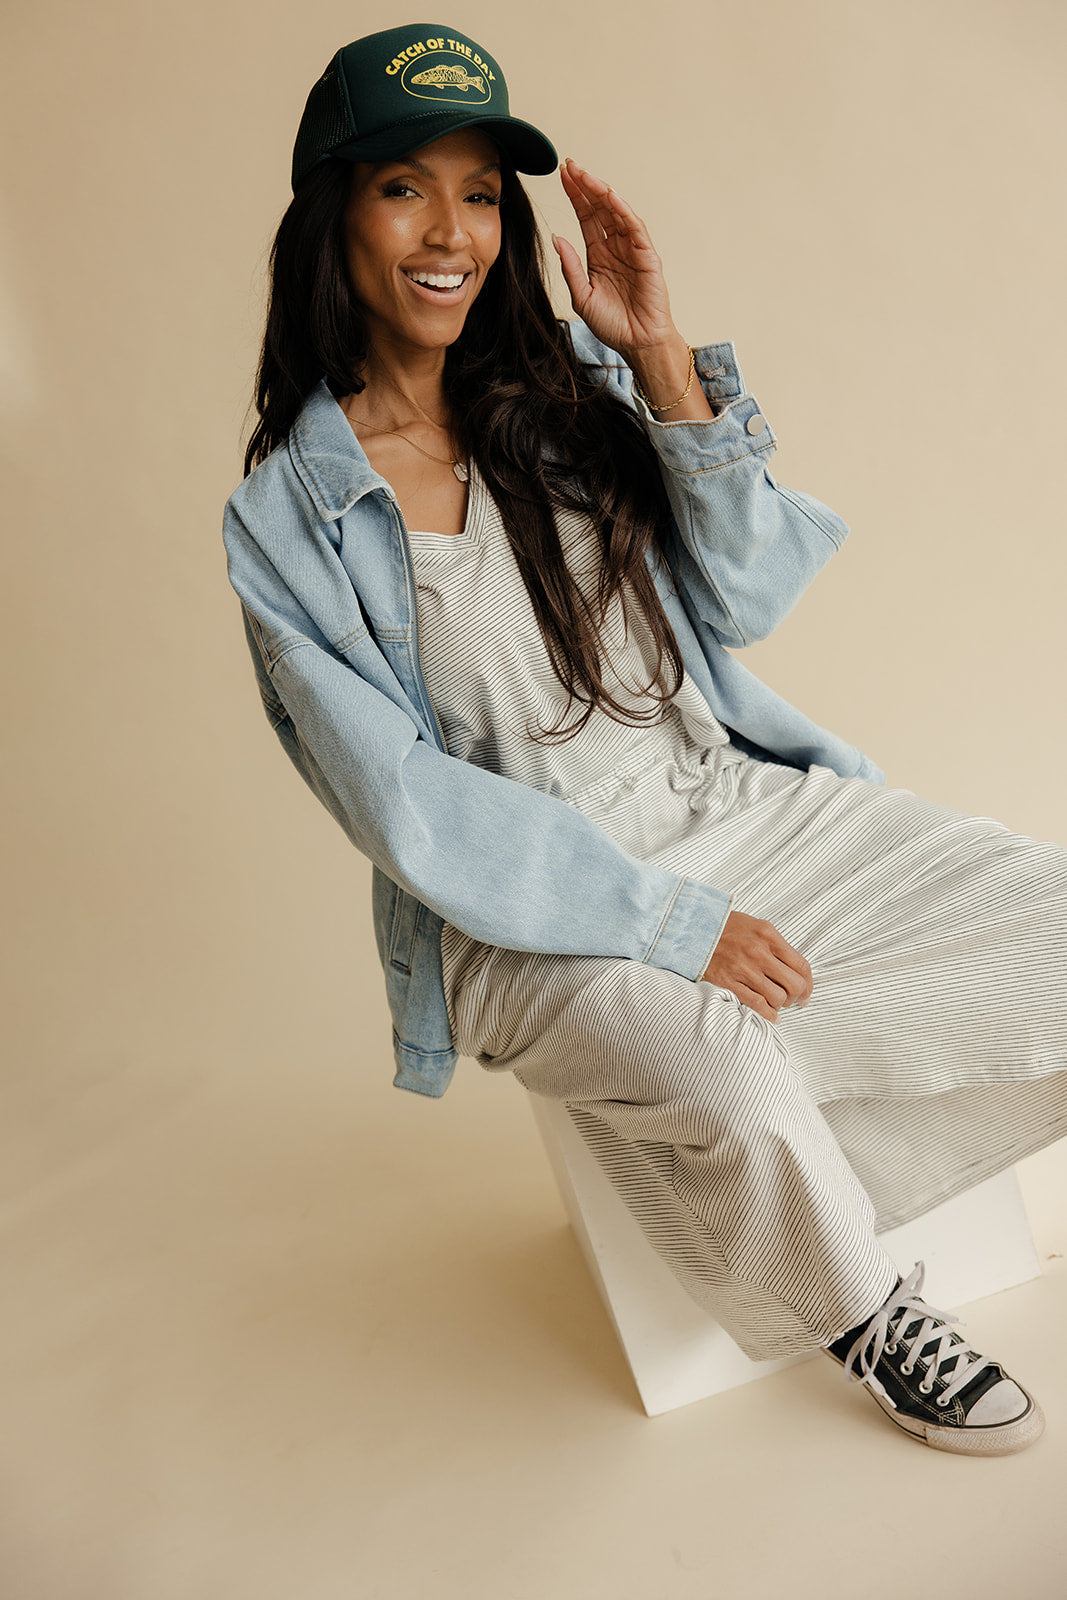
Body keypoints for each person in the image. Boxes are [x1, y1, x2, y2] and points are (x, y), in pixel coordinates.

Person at [223, 23, 1067, 1456]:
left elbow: (751, 592)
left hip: (735, 797)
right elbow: (409, 806)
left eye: (484, 192)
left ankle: (823, 1168)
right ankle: (864, 1305)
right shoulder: (285, 521)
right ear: (332, 213)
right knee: (726, 1065)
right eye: (404, 189)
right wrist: (663, 921)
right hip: (528, 908)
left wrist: (657, 345)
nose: (453, 233)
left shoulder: (569, 398)